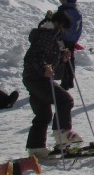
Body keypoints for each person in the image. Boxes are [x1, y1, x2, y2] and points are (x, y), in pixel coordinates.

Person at [23, 9, 82, 157]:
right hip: (37, 78)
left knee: (43, 114)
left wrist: (62, 57)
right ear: (58, 23)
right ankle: (62, 132)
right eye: (63, 28)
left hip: (33, 78)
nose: (64, 32)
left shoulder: (50, 36)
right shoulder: (47, 36)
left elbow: (47, 59)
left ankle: (36, 147)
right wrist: (44, 69)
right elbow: (34, 57)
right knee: (65, 100)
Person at [57, 0, 83, 90]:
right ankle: (70, 81)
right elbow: (79, 28)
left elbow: (57, 25)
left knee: (63, 60)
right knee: (70, 59)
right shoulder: (78, 12)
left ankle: (64, 82)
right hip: (72, 40)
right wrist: (75, 39)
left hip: (63, 38)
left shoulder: (63, 10)